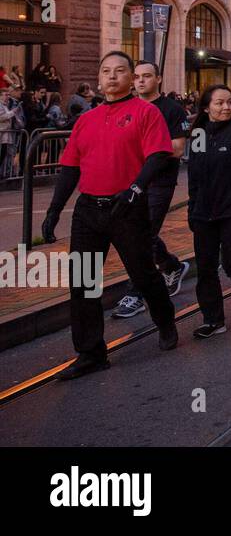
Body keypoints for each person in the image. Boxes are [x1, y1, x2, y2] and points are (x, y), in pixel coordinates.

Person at [41, 52, 178, 378]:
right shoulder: (86, 119)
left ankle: (165, 320)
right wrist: (53, 211)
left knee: (143, 274)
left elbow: (159, 154)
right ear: (99, 79)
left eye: (120, 71)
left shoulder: (146, 112)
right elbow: (70, 168)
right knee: (83, 283)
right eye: (106, 71)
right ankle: (91, 353)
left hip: (127, 208)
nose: (112, 77)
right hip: (89, 211)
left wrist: (136, 189)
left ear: (132, 78)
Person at [110, 62, 191, 320]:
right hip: (128, 181)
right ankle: (170, 265)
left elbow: (178, 148)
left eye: (147, 76)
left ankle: (136, 294)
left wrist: (144, 151)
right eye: (137, 77)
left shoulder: (172, 109)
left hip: (159, 182)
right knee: (135, 233)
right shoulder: (126, 107)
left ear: (158, 78)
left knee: (141, 238)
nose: (141, 81)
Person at [186, 84, 231, 337]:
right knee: (205, 267)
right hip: (203, 213)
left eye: (230, 102)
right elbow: (194, 176)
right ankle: (213, 319)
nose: (226, 107)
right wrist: (192, 208)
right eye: (219, 103)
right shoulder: (199, 135)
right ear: (206, 108)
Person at [0, 86, 23, 180]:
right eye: (5, 95)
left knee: (4, 154)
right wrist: (13, 112)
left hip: (5, 134)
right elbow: (2, 117)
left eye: (8, 95)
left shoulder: (5, 105)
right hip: (2, 132)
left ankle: (4, 173)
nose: (8, 97)